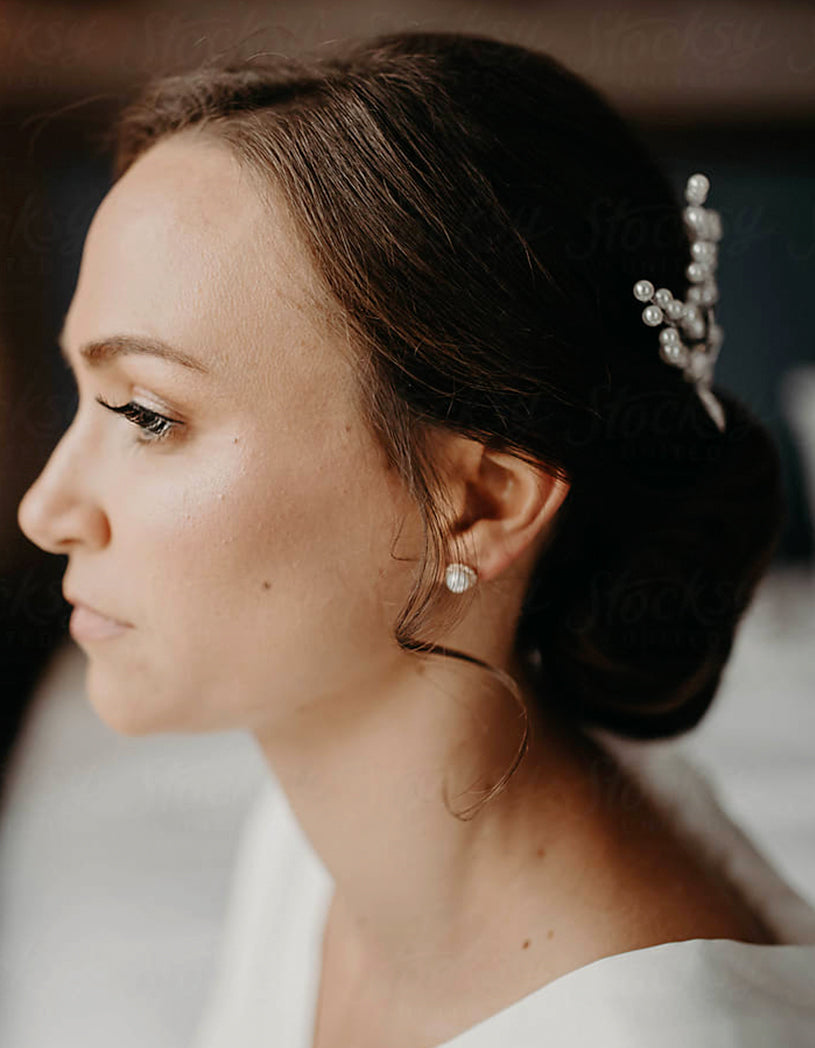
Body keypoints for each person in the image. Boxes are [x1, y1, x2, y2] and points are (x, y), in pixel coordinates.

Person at [15, 29, 815, 1048]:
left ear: (478, 505)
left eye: (147, 414)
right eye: (86, 394)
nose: (45, 509)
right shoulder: (322, 834)